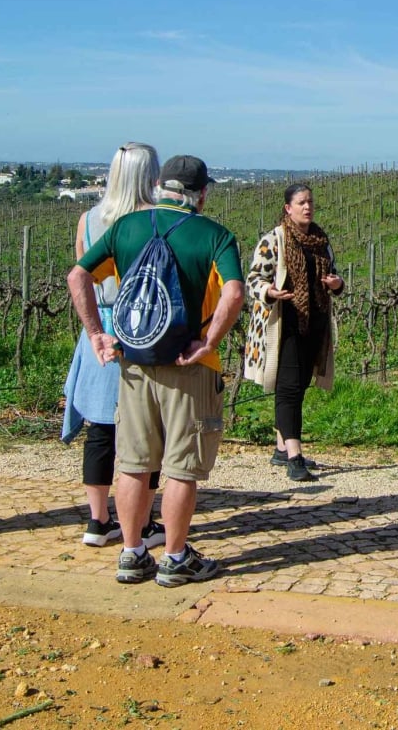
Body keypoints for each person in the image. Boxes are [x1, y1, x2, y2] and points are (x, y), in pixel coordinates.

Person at [68, 155, 244, 588]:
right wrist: (210, 341)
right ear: (201, 193)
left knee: (133, 462)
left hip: (133, 363)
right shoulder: (215, 235)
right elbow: (235, 291)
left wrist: (96, 334)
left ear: (161, 185)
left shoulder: (127, 227)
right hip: (191, 365)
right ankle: (176, 557)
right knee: (183, 467)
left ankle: (131, 554)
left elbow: (78, 276)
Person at [61, 142, 165, 549]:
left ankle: (98, 519)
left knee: (101, 428)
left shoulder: (87, 219)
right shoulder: (152, 221)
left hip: (98, 329)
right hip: (138, 326)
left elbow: (82, 275)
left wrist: (91, 331)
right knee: (146, 431)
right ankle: (142, 521)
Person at [242, 183, 345, 482]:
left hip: (313, 322)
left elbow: (334, 275)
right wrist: (270, 292)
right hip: (283, 322)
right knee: (288, 386)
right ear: (288, 208)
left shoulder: (321, 240)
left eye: (310, 201)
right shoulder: (274, 239)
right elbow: (253, 279)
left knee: (298, 385)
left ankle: (279, 448)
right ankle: (295, 456)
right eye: (301, 202)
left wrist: (336, 284)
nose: (307, 207)